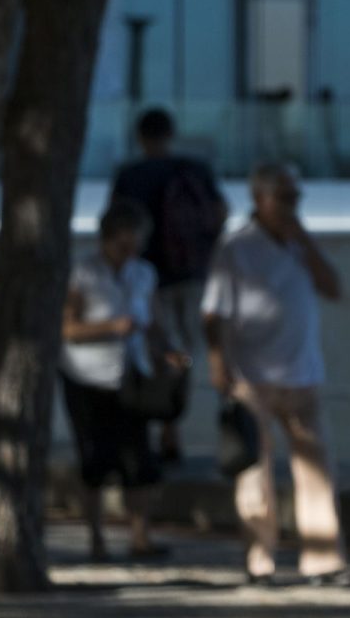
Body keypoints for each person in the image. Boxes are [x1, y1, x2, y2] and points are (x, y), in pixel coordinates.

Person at [203, 162, 350, 586]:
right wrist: (217, 362)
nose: (293, 205)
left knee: (317, 472)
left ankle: (324, 562)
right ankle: (259, 561)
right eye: (285, 197)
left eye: (296, 197)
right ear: (260, 199)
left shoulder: (299, 243)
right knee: (255, 477)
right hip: (252, 376)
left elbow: (333, 287)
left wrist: (304, 240)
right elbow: (212, 312)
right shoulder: (235, 247)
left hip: (303, 373)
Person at [108, 107, 227, 462]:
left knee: (153, 350)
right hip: (190, 276)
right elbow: (220, 213)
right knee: (181, 352)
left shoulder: (130, 175)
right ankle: (170, 426)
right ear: (170, 133)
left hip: (146, 277)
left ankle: (156, 423)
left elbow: (115, 223)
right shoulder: (194, 169)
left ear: (141, 137)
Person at [60, 199, 171, 562]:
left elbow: (153, 322)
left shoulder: (144, 274)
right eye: (125, 240)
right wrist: (111, 327)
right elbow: (69, 328)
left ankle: (141, 536)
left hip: (130, 375)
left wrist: (169, 354)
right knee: (94, 460)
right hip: (87, 377)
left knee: (138, 459)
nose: (132, 248)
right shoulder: (84, 274)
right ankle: (96, 539)